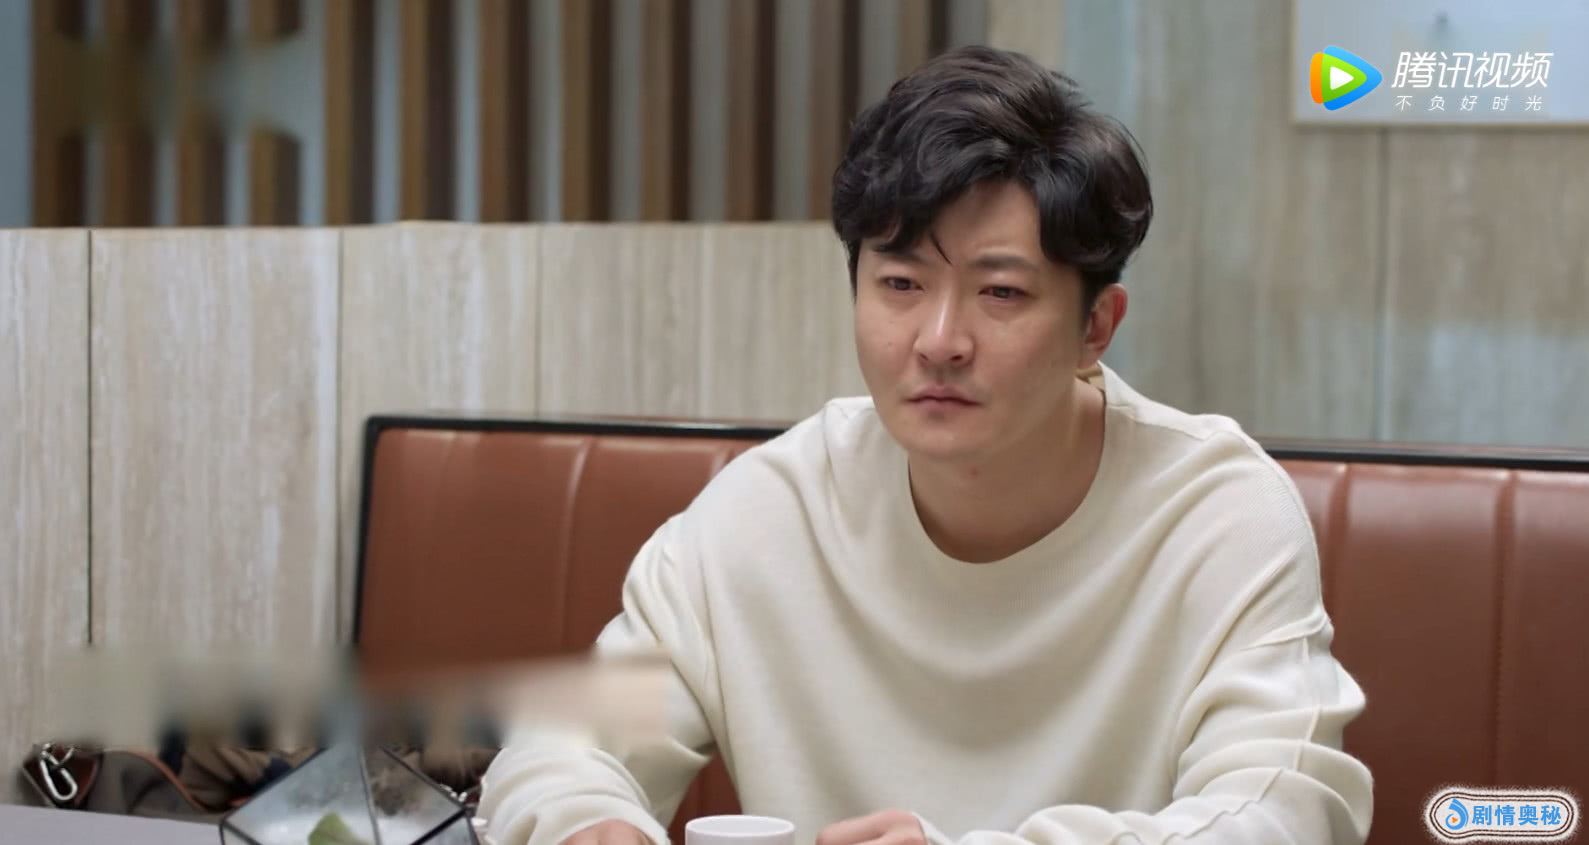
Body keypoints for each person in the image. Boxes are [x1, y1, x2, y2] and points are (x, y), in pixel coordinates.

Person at [477, 45, 1373, 845]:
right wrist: (584, 820)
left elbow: (1279, 809)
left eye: (1000, 293)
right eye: (900, 283)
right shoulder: (771, 510)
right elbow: (561, 746)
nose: (939, 340)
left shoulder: (1215, 515)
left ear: (1096, 325)